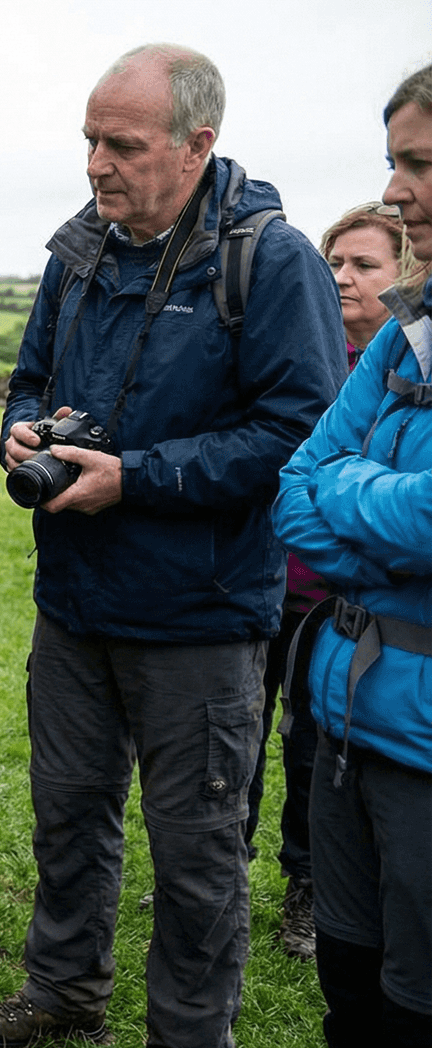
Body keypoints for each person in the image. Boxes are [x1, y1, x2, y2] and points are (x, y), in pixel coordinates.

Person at [0, 44, 342, 1048]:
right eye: (89, 139)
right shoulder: (79, 249)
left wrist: (139, 475)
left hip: (201, 619)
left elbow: (300, 430)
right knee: (68, 816)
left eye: (121, 145)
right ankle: (66, 988)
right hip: (75, 602)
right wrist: (25, 429)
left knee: (198, 857)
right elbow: (31, 374)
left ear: (197, 144)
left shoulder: (271, 259)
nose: (96, 164)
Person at [273, 62, 432, 1048]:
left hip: (424, 746)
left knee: (418, 1009)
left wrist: (350, 490)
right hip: (342, 719)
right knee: (349, 993)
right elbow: (296, 486)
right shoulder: (413, 324)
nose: (400, 190)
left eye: (419, 165)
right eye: (393, 164)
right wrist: (379, 506)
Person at [247, 201, 418, 962]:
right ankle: (226, 863)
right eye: (334, 262)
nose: (342, 278)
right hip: (273, 584)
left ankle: (306, 894)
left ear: (404, 272)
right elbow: (294, 480)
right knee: (243, 740)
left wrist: (340, 495)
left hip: (345, 612)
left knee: (312, 750)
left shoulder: (400, 368)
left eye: (364, 264)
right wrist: (360, 532)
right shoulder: (305, 354)